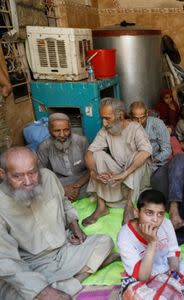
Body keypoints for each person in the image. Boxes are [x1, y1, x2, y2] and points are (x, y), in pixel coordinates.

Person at [0, 147, 116, 300]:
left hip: (64, 249)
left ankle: (69, 282)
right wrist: (43, 292)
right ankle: (76, 279)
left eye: (32, 173)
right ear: (3, 174)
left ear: (38, 166)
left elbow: (64, 202)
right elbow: (5, 259)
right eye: (18, 176)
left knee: (105, 242)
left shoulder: (48, 177)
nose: (28, 182)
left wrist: (74, 225)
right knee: (12, 293)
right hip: (32, 264)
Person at [83, 98, 152, 226]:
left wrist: (125, 174)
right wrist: (93, 173)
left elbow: (146, 152)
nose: (104, 123)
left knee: (137, 155)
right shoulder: (105, 130)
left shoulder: (135, 128)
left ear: (120, 116)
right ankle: (101, 206)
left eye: (107, 118)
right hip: (119, 174)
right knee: (97, 154)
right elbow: (89, 153)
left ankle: (129, 206)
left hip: (138, 176)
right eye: (102, 118)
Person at [118, 189, 184, 282]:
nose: (155, 219)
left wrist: (173, 272)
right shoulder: (125, 237)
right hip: (146, 275)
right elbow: (142, 277)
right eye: (149, 213)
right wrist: (151, 243)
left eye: (160, 214)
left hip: (167, 269)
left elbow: (173, 250)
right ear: (136, 213)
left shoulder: (166, 223)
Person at [37, 112, 90, 201]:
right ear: (49, 130)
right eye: (57, 131)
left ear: (70, 128)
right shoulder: (44, 147)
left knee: (98, 184)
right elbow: (41, 175)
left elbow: (91, 170)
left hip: (82, 180)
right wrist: (64, 189)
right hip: (59, 183)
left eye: (66, 130)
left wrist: (77, 185)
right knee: (41, 192)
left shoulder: (81, 141)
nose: (62, 135)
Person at [129, 101, 171, 174]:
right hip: (136, 164)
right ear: (131, 117)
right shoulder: (128, 127)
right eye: (136, 118)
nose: (139, 122)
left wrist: (152, 160)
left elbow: (167, 150)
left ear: (147, 114)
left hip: (157, 164)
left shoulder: (157, 124)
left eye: (142, 118)